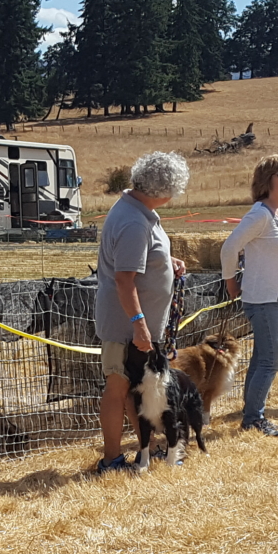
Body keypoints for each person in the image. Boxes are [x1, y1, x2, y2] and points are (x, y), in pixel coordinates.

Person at [95, 152, 188, 472]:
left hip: (136, 325)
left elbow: (141, 259)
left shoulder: (139, 211)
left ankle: (144, 451)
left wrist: (167, 262)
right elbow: (124, 280)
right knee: (118, 389)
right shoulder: (134, 222)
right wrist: (139, 325)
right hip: (126, 325)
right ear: (163, 189)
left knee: (135, 390)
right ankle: (111, 459)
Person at [220, 154, 278, 437]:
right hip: (262, 297)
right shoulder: (259, 214)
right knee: (273, 359)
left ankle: (252, 414)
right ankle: (254, 418)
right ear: (266, 180)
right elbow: (229, 248)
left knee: (262, 357)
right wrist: (231, 281)